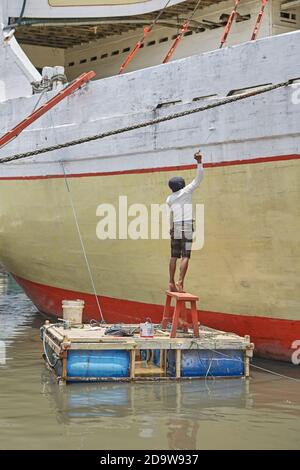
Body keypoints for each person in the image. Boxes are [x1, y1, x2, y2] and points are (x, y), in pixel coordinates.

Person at [166, 151, 204, 292]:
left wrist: (170, 228)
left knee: (173, 255)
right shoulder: (186, 191)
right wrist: (199, 161)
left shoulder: (169, 199)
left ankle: (170, 282)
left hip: (175, 226)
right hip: (186, 225)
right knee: (185, 255)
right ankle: (180, 282)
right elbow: (198, 178)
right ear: (181, 184)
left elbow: (170, 215)